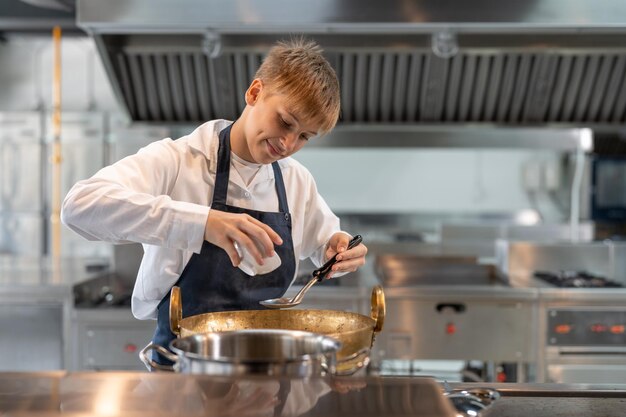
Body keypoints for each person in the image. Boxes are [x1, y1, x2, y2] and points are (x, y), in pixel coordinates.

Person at [61, 38, 368, 364]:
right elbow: (80, 205)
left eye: (305, 136)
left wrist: (339, 250)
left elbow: (326, 242)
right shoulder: (178, 160)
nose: (289, 142)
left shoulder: (295, 180)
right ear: (254, 93)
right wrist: (202, 223)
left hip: (267, 374)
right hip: (182, 373)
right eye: (286, 121)